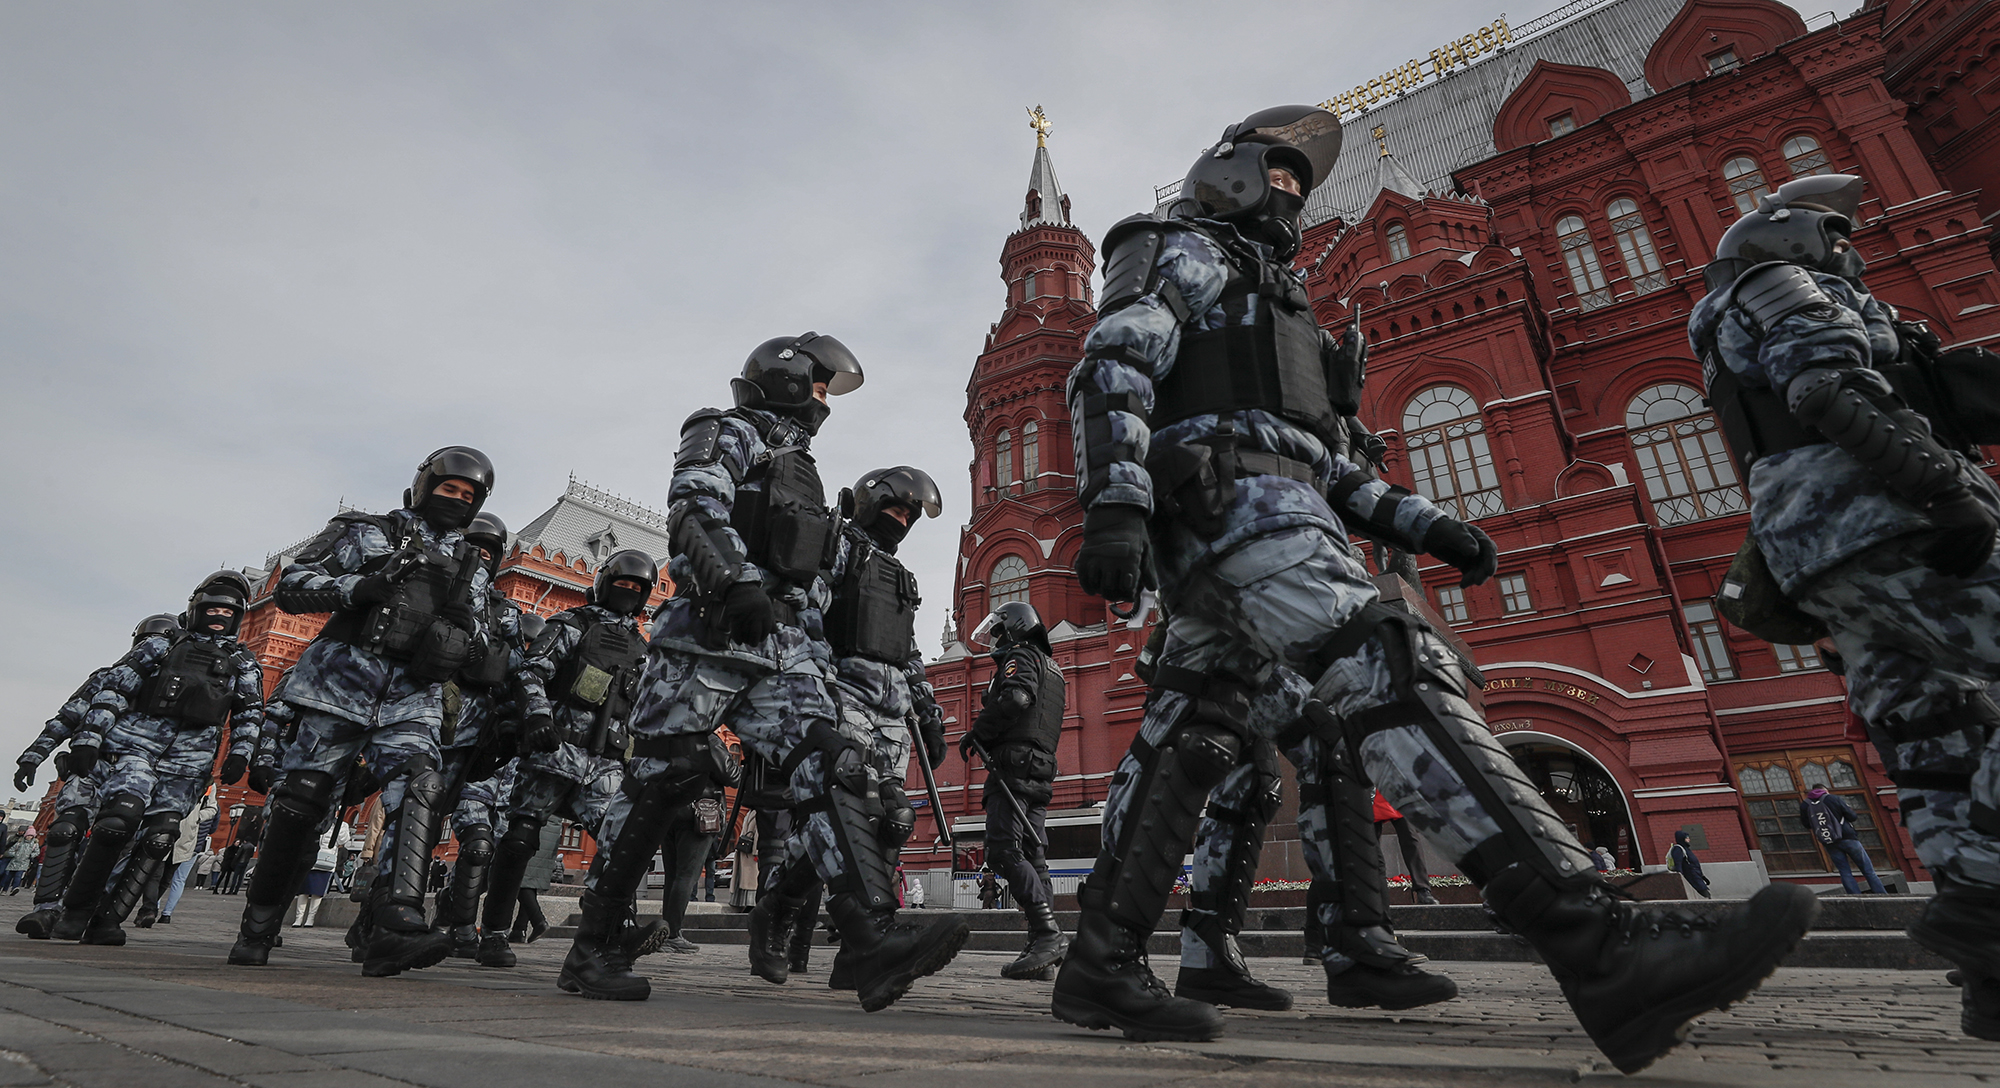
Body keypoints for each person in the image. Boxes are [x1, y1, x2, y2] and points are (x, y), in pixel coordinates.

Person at [1054, 103, 1817, 1072]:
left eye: (1301, 182)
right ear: (1229, 175)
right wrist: (1115, 501)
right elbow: (1112, 361)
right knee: (1382, 659)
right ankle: (1595, 942)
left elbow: (1326, 460)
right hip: (1227, 506)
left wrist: (1425, 523)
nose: (1288, 193)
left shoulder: (1280, 303)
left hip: (1268, 506)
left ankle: (1100, 962)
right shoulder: (1178, 248)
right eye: (1275, 173)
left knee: (1189, 740)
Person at [1691, 172, 2000, 1039]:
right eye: (1836, 236)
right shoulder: (1787, 286)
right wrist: (1942, 488)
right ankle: (1986, 902)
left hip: (1812, 553)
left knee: (1935, 744)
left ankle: (1990, 970)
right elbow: (1824, 388)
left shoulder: (1722, 321)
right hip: (1883, 515)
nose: (1849, 249)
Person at [579, 333, 968, 1010]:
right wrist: (732, 582)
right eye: (818, 386)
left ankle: (870, 939)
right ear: (785, 380)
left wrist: (814, 655)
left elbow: (810, 582)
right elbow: (692, 507)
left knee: (833, 762)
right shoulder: (725, 431)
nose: (824, 401)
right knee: (665, 780)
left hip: (783, 653)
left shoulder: (804, 471)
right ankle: (594, 945)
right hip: (707, 638)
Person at [228, 446, 497, 975]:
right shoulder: (365, 532)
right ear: (424, 486)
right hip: (337, 685)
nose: (456, 501)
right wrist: (361, 587)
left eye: (469, 496)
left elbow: (483, 649)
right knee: (302, 802)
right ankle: (259, 925)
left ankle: (395, 923)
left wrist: (465, 635)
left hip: (413, 697)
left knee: (421, 785)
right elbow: (292, 586)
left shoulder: (474, 568)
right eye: (449, 488)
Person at [751, 466, 949, 986]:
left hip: (892, 712)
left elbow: (908, 652)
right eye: (895, 507)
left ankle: (837, 951)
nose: (902, 519)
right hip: (843, 697)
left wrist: (928, 712)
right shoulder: (840, 547)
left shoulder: (901, 576)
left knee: (893, 820)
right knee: (847, 810)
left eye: (910, 514)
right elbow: (804, 616)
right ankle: (790, 916)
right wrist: (815, 692)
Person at [54, 573, 264, 945]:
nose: (218, 616)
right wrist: (89, 737)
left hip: (190, 759)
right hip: (136, 745)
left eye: (227, 611)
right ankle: (74, 911)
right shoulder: (161, 645)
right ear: (196, 608)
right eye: (212, 608)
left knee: (160, 836)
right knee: (118, 819)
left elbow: (249, 711)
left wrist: (241, 753)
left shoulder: (243, 662)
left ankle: (109, 919)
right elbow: (116, 688)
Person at [479, 547, 657, 976]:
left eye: (637, 588)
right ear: (604, 584)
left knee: (621, 847)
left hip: (608, 763)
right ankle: (494, 933)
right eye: (622, 585)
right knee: (521, 837)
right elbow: (529, 672)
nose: (628, 593)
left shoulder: (641, 648)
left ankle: (614, 933)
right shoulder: (572, 625)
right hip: (557, 748)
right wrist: (538, 714)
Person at [13, 614, 181, 938]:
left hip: (140, 770)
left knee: (123, 838)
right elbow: (68, 716)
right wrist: (33, 756)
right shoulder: (107, 677)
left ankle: (102, 915)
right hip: (94, 764)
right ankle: (46, 910)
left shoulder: (176, 687)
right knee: (65, 828)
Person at [432, 511, 529, 959]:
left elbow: (516, 676)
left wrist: (513, 726)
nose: (480, 558)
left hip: (477, 742)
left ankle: (461, 929)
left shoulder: (504, 610)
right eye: (474, 548)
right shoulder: (426, 588)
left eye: (490, 552)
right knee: (409, 830)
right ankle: (385, 919)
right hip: (418, 728)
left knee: (478, 843)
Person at [960, 602, 1067, 980]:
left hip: (1013, 767)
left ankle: (1048, 935)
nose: (996, 640)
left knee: (1004, 850)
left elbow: (1017, 698)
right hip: (1041, 770)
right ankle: (1042, 950)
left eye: (999, 632)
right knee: (1034, 856)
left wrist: (978, 731)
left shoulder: (1021, 656)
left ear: (1015, 630)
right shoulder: (1055, 669)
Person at [1799, 787, 1887, 894]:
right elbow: (1852, 816)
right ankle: (1881, 894)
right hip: (1848, 837)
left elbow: (1807, 824)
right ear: (1824, 790)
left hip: (1829, 841)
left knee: (1845, 872)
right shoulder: (1833, 798)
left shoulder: (1805, 805)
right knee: (1868, 871)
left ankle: (1855, 898)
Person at [149, 793, 219, 925]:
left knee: (160, 876)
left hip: (185, 840)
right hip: (194, 845)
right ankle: (166, 914)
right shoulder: (211, 805)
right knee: (178, 880)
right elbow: (214, 827)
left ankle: (154, 908)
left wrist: (194, 818)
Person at [293, 824, 342, 927]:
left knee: (318, 892)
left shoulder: (341, 825)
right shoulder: (317, 819)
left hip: (326, 861)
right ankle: (298, 918)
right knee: (303, 891)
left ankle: (310, 919)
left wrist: (338, 824)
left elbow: (342, 841)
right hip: (309, 858)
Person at [1668, 831, 1711, 899]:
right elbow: (1678, 863)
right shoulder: (1678, 849)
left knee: (1704, 891)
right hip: (1691, 875)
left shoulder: (1686, 849)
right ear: (1682, 838)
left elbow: (1694, 863)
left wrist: (1702, 876)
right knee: (1703, 892)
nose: (1689, 839)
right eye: (1687, 838)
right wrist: (1679, 876)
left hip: (1696, 874)